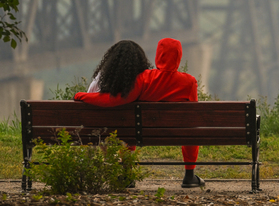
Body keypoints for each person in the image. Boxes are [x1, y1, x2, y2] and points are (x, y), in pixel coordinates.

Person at [75, 38, 204, 188]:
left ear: (158, 55)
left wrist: (81, 95)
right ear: (179, 56)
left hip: (140, 133)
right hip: (175, 133)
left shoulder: (143, 78)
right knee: (190, 130)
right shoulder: (189, 82)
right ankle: (189, 176)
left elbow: (113, 100)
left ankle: (128, 175)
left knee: (130, 128)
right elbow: (193, 115)